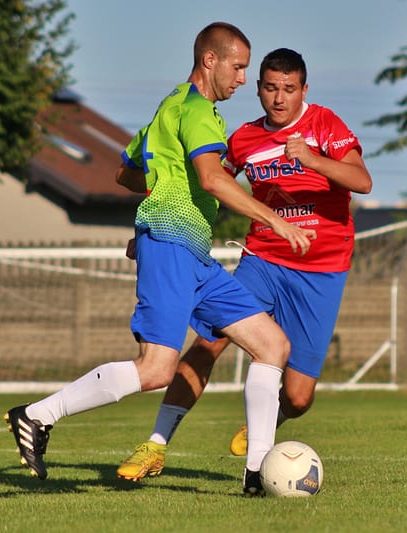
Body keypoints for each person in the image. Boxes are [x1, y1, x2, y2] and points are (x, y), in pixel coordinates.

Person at [4, 24, 316, 497]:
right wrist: (275, 219)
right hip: (172, 246)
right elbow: (212, 180)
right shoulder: (198, 113)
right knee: (155, 369)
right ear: (210, 61)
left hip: (189, 251)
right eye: (238, 67)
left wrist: (152, 213)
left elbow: (127, 172)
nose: (241, 79)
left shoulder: (169, 106)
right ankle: (36, 415)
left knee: (272, 345)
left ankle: (255, 476)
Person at [118, 47, 372, 482]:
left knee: (298, 397)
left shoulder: (325, 125)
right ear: (258, 88)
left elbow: (362, 181)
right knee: (208, 343)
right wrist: (154, 226)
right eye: (271, 88)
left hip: (322, 271)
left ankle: (270, 421)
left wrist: (311, 158)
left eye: (289, 89)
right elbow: (202, 180)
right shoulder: (245, 139)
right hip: (264, 259)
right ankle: (155, 445)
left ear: (304, 90)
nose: (279, 98)